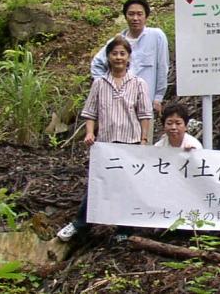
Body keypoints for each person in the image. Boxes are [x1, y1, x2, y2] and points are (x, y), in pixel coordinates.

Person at [57, 36, 153, 243]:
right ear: (108, 57)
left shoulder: (138, 84)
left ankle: (124, 229)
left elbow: (145, 115)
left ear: (128, 57)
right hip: (105, 144)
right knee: (98, 184)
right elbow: (90, 113)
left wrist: (144, 140)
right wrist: (90, 133)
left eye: (122, 54)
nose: (118, 57)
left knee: (127, 186)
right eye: (114, 53)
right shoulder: (100, 83)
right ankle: (80, 224)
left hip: (130, 143)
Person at [91, 0, 168, 145]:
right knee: (116, 147)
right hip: (117, 106)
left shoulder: (156, 36)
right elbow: (97, 64)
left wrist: (158, 96)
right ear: (125, 16)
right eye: (131, 14)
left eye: (139, 14)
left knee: (143, 146)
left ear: (146, 16)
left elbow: (162, 67)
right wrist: (105, 85)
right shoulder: (117, 42)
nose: (135, 18)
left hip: (145, 104)